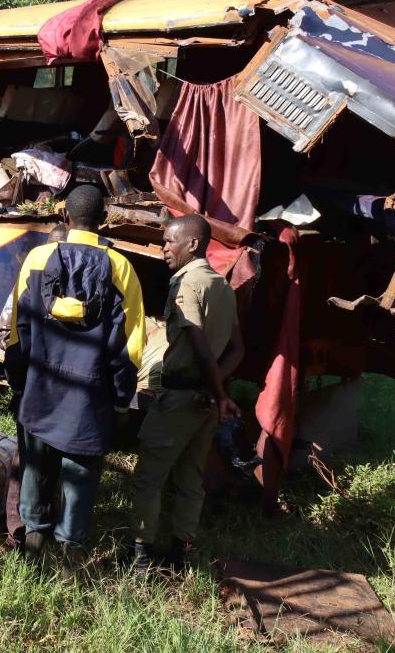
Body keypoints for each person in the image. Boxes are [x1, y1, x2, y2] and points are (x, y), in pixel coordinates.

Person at [5, 185, 146, 576]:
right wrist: (120, 399)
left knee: (35, 470)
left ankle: (33, 553)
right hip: (90, 398)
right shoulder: (121, 269)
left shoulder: (37, 258)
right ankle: (70, 566)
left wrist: (21, 383)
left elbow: (18, 330)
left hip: (40, 390)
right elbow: (130, 346)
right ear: (103, 220)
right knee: (80, 482)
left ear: (65, 215)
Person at [128, 214, 244, 575]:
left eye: (169, 242)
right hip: (204, 402)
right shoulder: (221, 286)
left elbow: (197, 343)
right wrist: (217, 391)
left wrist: (216, 389)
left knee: (149, 476)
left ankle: (140, 556)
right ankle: (179, 554)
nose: (163, 249)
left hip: (180, 397)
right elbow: (238, 348)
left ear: (192, 244)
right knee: (191, 479)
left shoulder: (187, 284)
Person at [0, 222, 68, 550]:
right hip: (34, 385)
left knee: (46, 461)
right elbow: (8, 332)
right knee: (27, 459)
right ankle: (18, 529)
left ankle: (41, 524)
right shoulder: (30, 284)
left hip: (53, 389)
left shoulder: (75, 286)